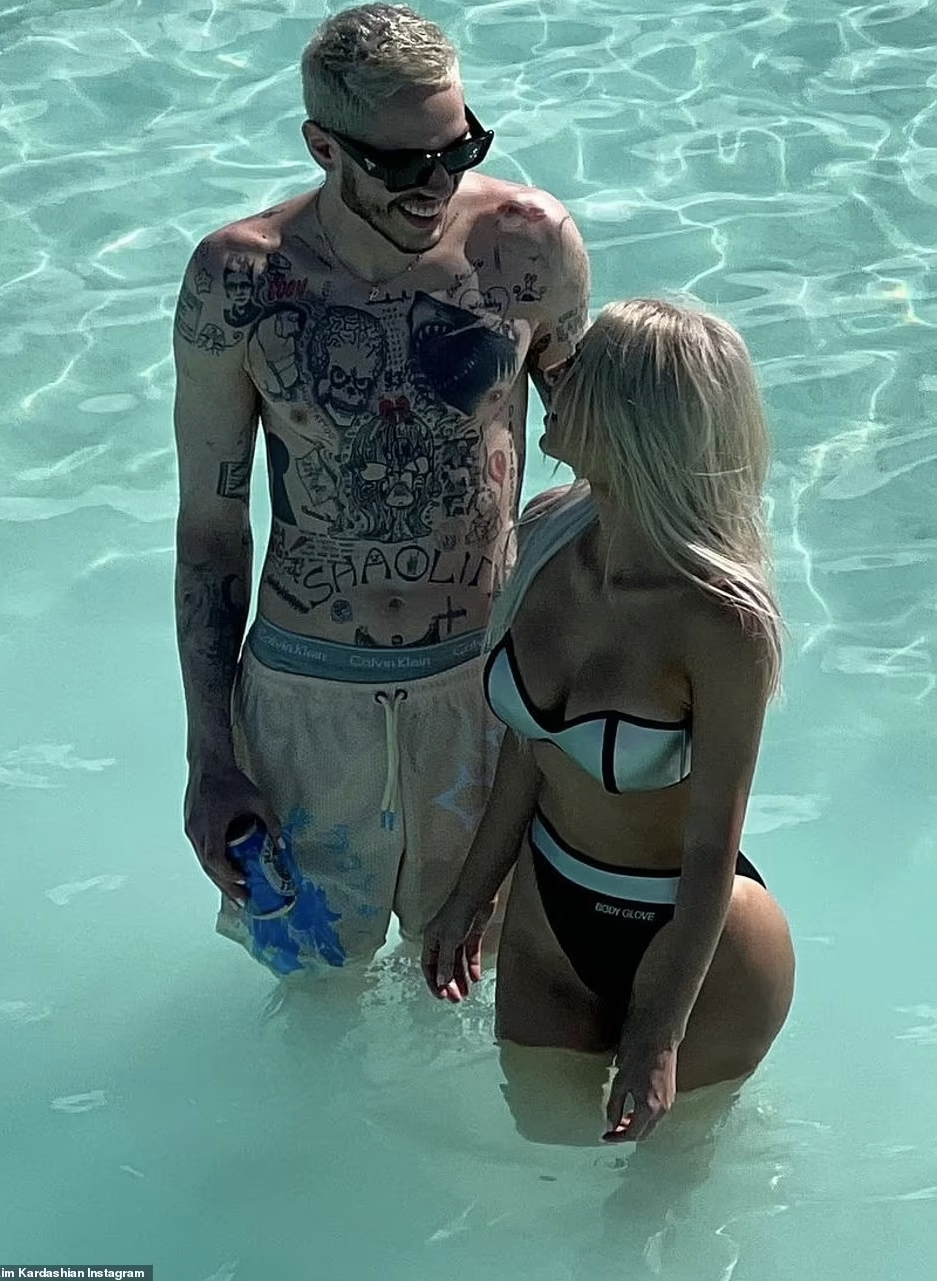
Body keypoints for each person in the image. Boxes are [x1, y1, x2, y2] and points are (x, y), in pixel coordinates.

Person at [173, 3, 590, 974]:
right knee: (314, 991)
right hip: (305, 703)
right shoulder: (239, 280)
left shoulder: (527, 246)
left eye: (460, 149)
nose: (436, 183)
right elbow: (210, 528)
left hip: (484, 691)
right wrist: (211, 757)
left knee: (480, 982)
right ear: (323, 146)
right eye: (403, 164)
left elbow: (607, 457)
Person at [421, 299, 796, 1141]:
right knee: (541, 1150)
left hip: (699, 940)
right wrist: (469, 896)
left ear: (636, 418)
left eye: (581, 371)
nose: (554, 379)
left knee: (664, 1187)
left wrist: (659, 1033)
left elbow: (712, 845)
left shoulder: (723, 622)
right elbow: (531, 749)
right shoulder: (546, 532)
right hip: (550, 908)